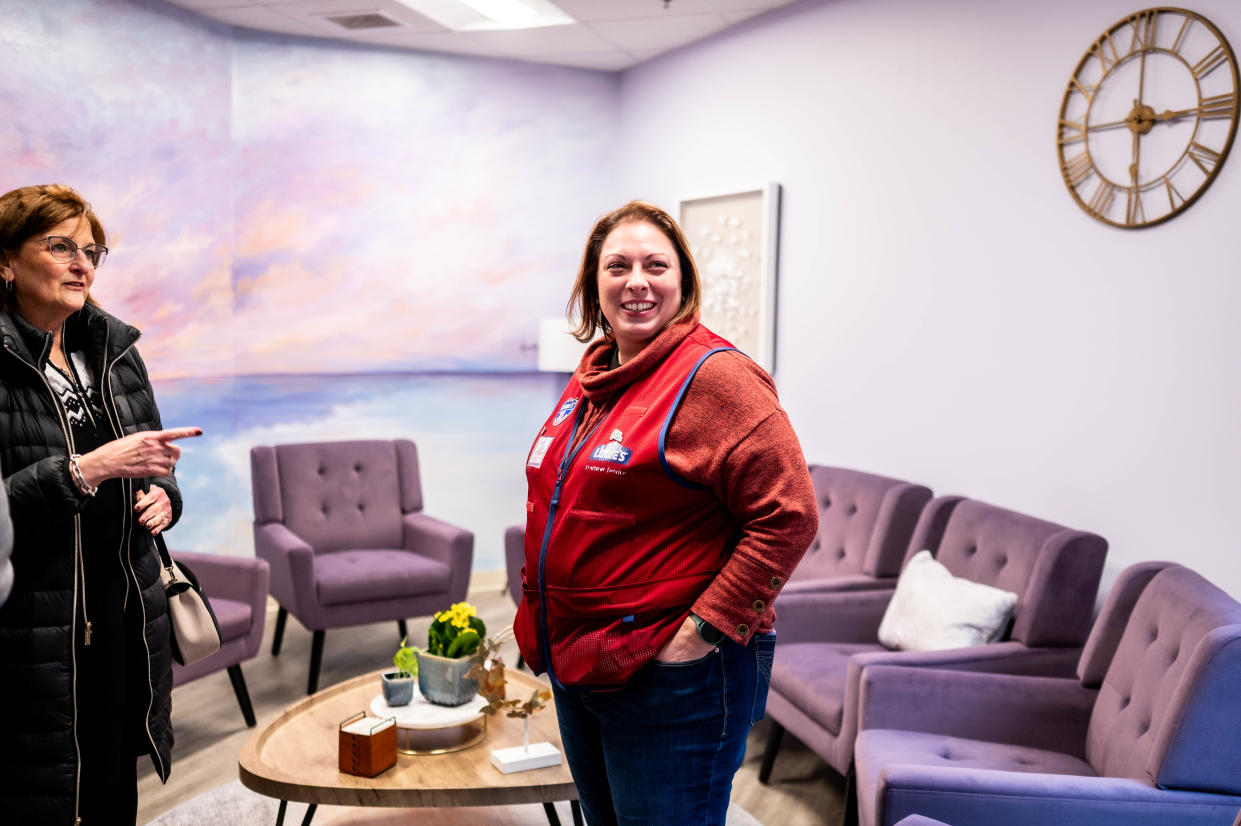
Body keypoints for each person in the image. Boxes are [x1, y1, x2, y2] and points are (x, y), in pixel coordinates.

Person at [514, 201, 819, 824]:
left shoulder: (718, 379)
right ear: (593, 284)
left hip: (671, 678)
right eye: (617, 266)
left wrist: (698, 634)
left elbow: (790, 515)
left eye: (656, 265)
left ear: (683, 281)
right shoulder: (595, 377)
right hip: (584, 662)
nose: (636, 281)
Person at [0, 183, 202, 823]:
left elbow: (153, 463)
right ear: (5, 261)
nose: (82, 263)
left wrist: (165, 496)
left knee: (114, 781)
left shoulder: (114, 351)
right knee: (46, 792)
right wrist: (85, 471)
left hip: (124, 615)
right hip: (33, 630)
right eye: (60, 246)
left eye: (92, 250)